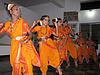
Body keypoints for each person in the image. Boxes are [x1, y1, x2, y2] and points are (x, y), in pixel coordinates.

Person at [0, 3, 40, 75]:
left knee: (27, 65)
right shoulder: (7, 24)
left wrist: (26, 40)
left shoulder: (23, 22)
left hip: (24, 46)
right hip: (14, 46)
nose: (18, 11)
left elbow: (30, 34)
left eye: (19, 9)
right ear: (11, 12)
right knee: (15, 65)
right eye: (16, 9)